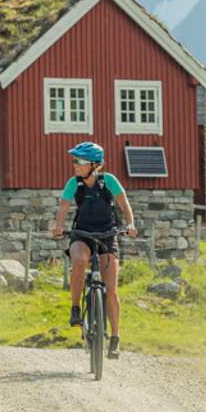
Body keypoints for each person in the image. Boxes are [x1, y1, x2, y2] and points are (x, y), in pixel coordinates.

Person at [49, 141, 135, 359]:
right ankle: (76, 308)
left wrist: (131, 224)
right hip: (82, 232)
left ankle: (115, 338)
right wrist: (59, 226)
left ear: (95, 165)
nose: (76, 165)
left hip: (107, 233)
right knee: (78, 261)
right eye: (75, 160)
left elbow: (124, 205)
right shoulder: (74, 184)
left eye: (81, 161)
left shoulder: (109, 181)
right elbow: (64, 207)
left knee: (112, 289)